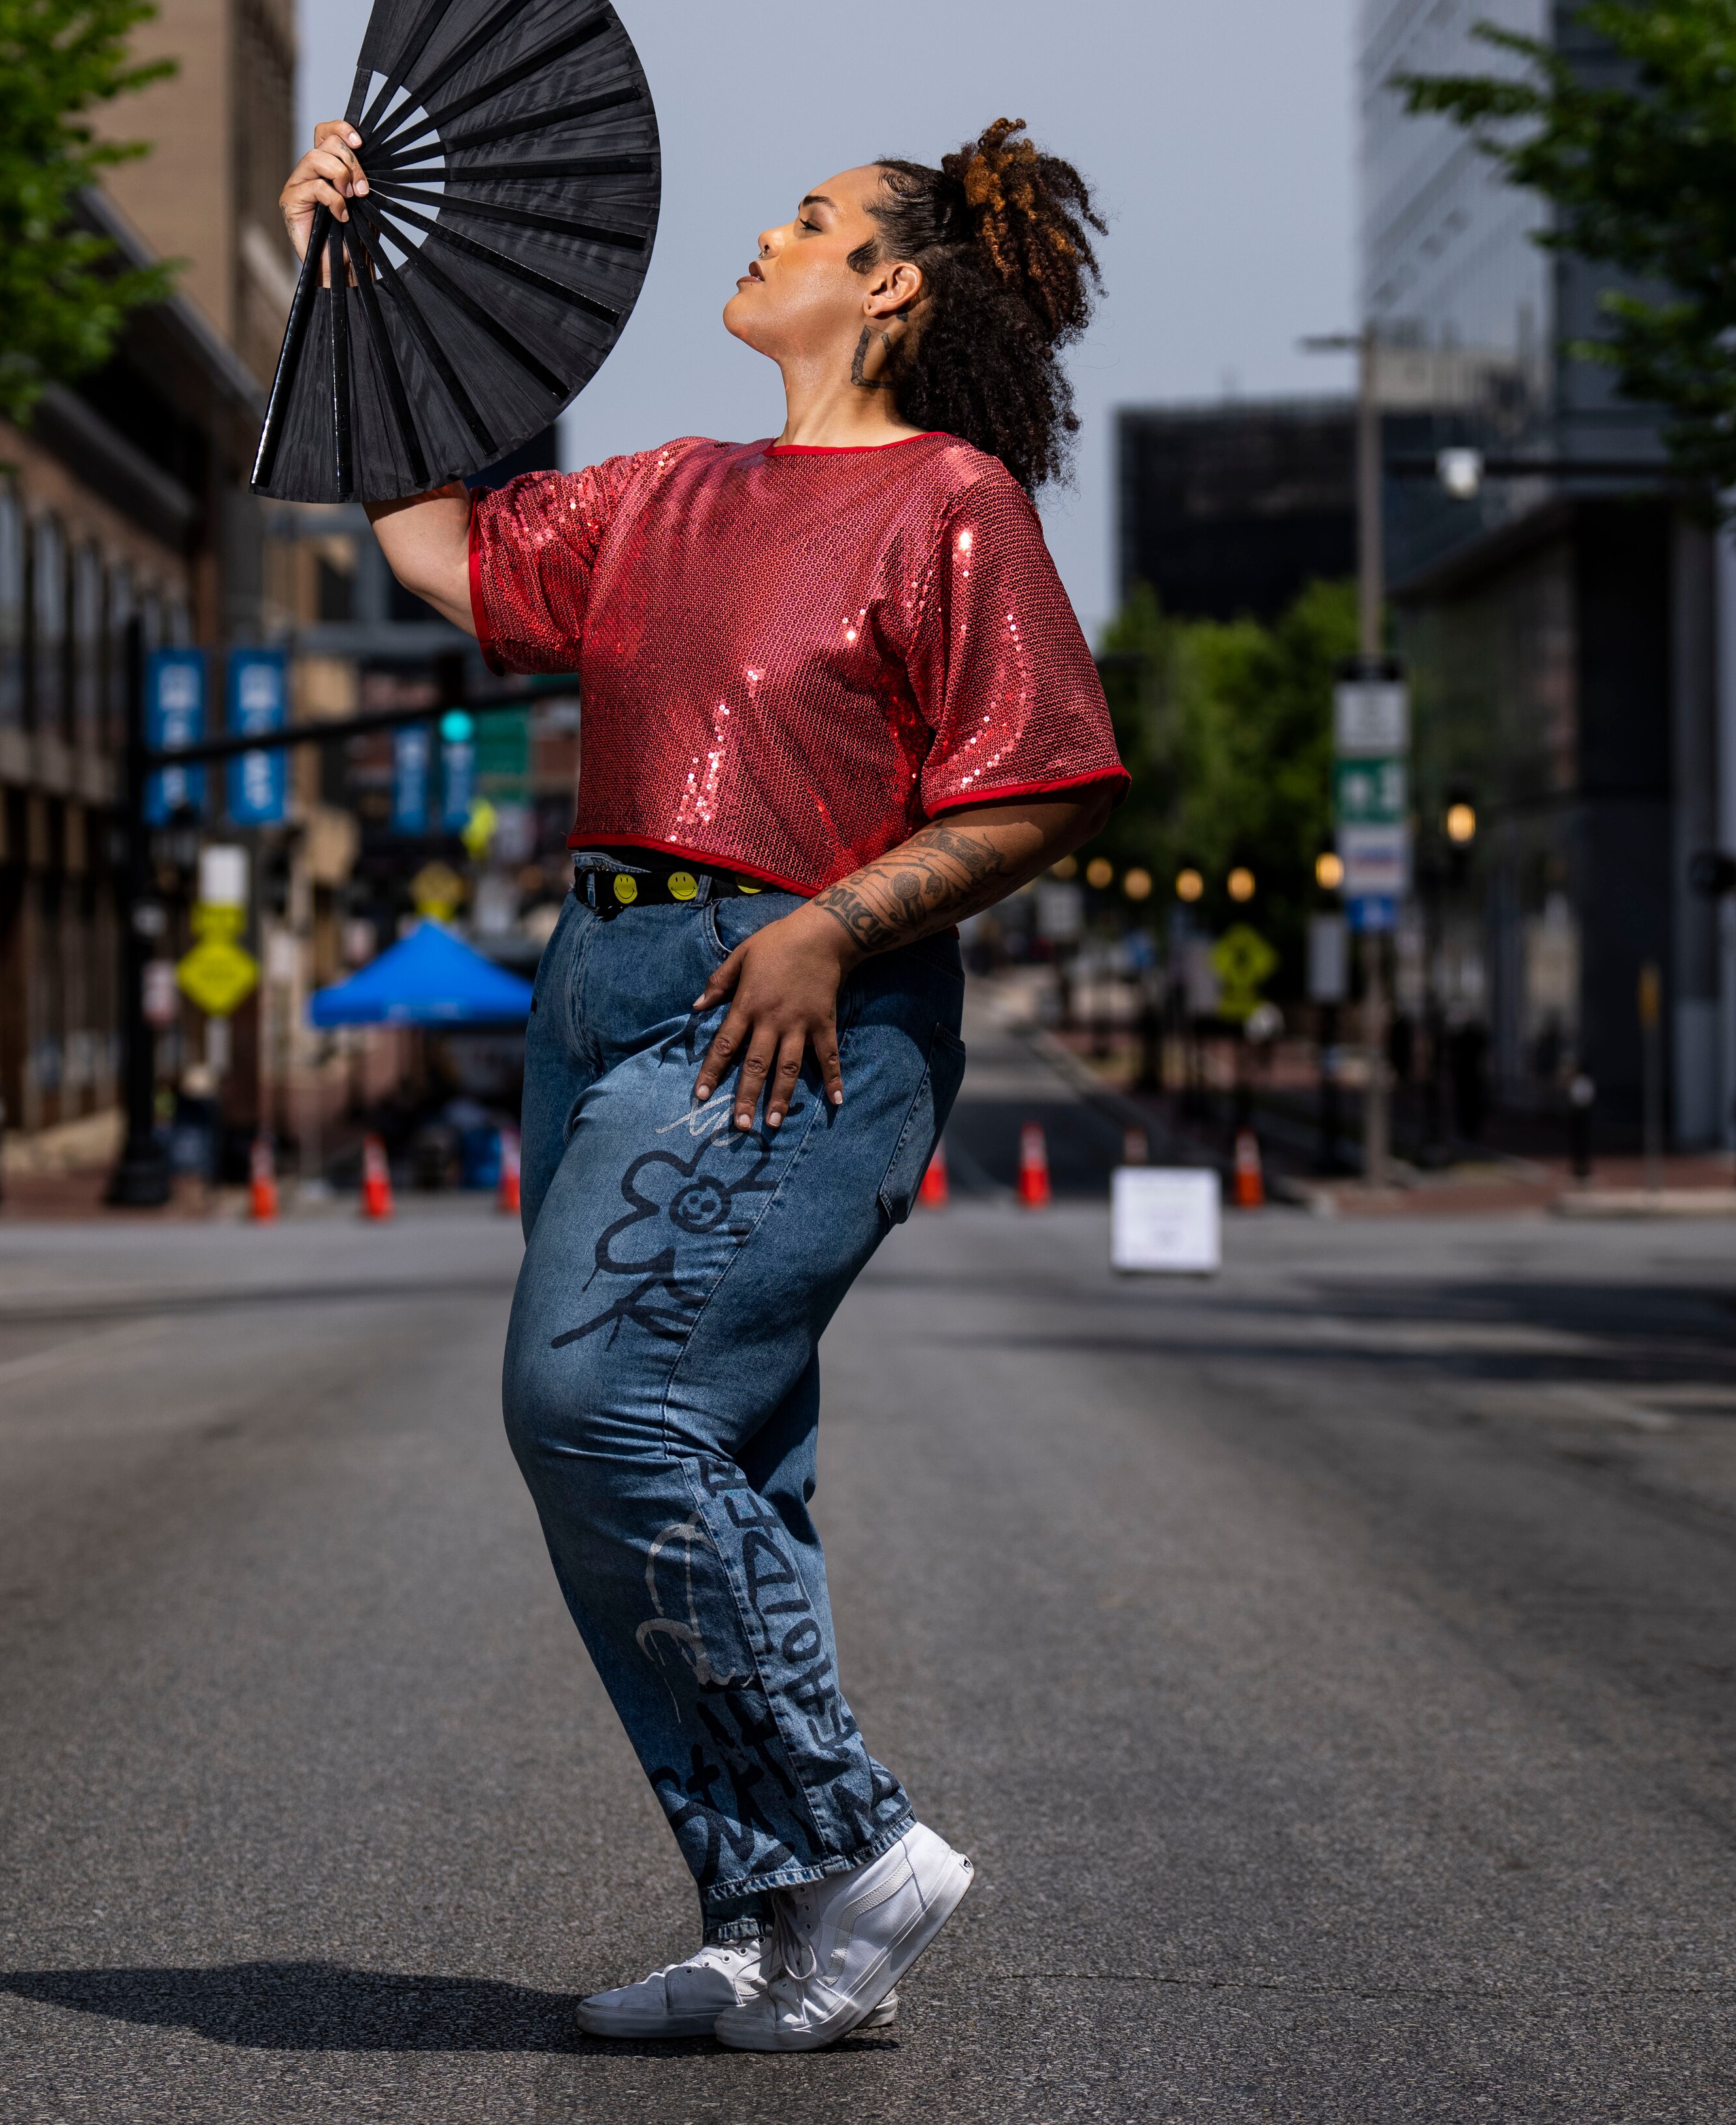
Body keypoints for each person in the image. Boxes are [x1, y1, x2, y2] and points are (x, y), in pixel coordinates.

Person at [279, 114, 1123, 2051]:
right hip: (598, 984)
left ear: (891, 285)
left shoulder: (949, 500)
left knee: (591, 1398)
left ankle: (853, 1830)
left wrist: (834, 924)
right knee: (727, 1462)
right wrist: (344, 280)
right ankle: (778, 1923)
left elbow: (1049, 779)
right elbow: (435, 546)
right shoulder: (665, 492)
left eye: (813, 220)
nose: (769, 229)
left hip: (797, 994)